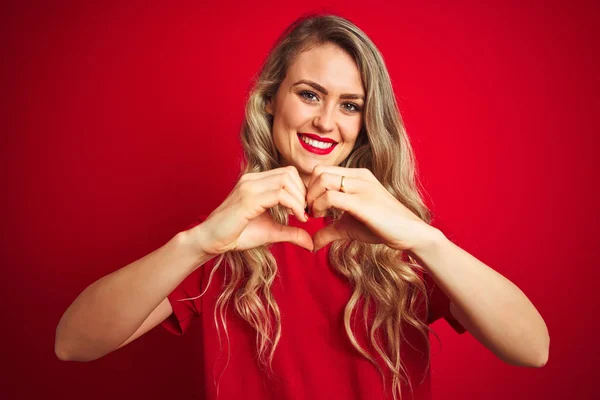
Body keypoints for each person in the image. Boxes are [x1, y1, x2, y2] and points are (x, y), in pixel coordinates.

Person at [55, 14, 549, 400]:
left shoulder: (399, 235)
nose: (326, 121)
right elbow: (73, 344)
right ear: (271, 99)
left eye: (350, 105)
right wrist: (198, 241)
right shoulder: (225, 236)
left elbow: (532, 349)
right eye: (309, 94)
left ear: (366, 121)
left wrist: (423, 237)